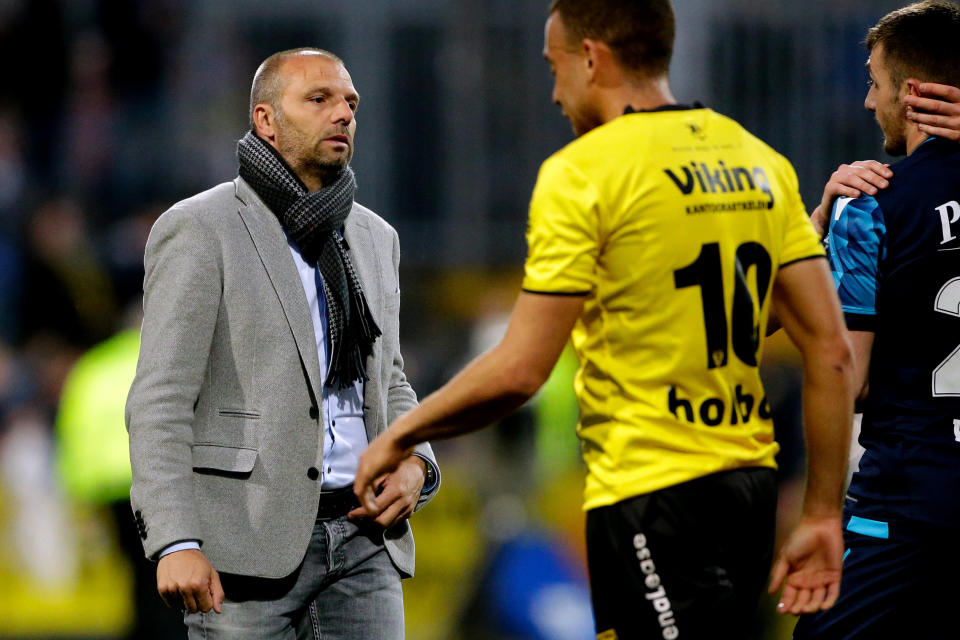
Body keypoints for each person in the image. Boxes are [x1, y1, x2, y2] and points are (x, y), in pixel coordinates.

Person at [353, 1, 855, 637]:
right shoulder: (759, 161)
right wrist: (820, 513)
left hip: (653, 493)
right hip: (747, 493)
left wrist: (399, 436)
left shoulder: (584, 173)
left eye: (554, 65)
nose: (556, 91)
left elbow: (520, 369)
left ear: (592, 58)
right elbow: (828, 348)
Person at [125, 48, 439, 640]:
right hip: (244, 548)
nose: (342, 114)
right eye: (318, 100)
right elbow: (160, 400)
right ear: (266, 120)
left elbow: (389, 379)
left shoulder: (375, 237)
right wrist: (175, 540)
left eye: (350, 103)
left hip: (365, 540)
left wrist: (418, 461)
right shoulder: (201, 228)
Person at [792, 3, 960, 638]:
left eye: (873, 82)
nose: (867, 102)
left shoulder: (870, 206)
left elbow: (848, 376)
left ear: (910, 94)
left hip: (907, 504)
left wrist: (820, 228)